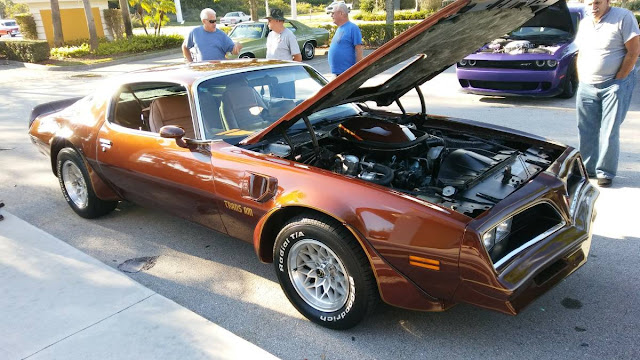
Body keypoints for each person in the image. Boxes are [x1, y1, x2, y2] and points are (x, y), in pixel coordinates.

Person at [575, 0, 640, 187]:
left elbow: (634, 51)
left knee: (609, 129)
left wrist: (619, 78)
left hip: (614, 84)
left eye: (597, 2)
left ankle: (605, 172)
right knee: (586, 129)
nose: (593, 6)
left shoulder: (623, 17)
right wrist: (582, 76)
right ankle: (588, 169)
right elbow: (582, 51)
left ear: (607, 2)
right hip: (587, 84)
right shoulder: (586, 22)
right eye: (589, 3)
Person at [328, 3, 363, 76]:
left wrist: (358, 70)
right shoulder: (339, 29)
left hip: (347, 74)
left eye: (333, 13)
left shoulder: (353, 28)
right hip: (337, 73)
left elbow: (359, 49)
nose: (331, 16)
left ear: (341, 13)